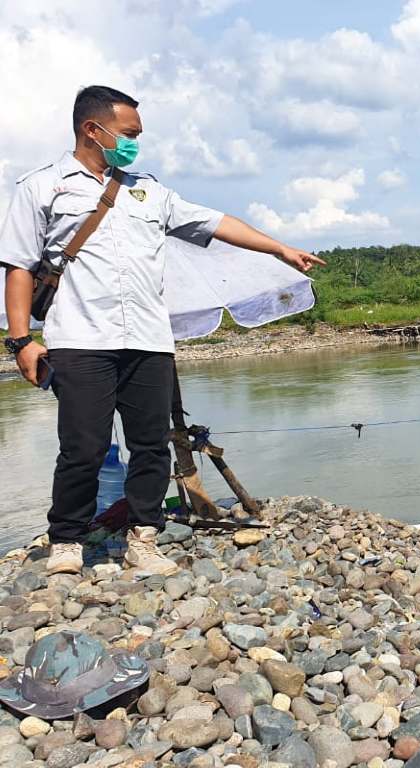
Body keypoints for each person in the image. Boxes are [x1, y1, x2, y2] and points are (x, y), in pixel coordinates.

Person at [1, 85, 325, 576]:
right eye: (129, 133)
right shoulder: (41, 187)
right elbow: (19, 267)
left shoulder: (147, 190)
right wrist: (23, 341)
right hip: (81, 339)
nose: (135, 143)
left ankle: (144, 537)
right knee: (83, 447)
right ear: (93, 129)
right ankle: (67, 538)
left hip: (149, 340)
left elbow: (215, 222)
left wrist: (277, 248)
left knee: (150, 443)